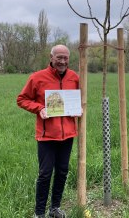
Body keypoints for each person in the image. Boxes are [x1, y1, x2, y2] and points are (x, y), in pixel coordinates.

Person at [17, 44, 81, 218]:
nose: (62, 61)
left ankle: (55, 208)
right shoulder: (37, 78)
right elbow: (21, 99)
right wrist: (39, 108)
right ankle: (39, 213)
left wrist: (78, 108)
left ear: (69, 59)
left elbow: (79, 99)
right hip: (46, 136)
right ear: (51, 57)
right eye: (58, 57)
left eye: (65, 58)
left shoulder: (74, 77)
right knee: (45, 174)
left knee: (62, 172)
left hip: (68, 134)